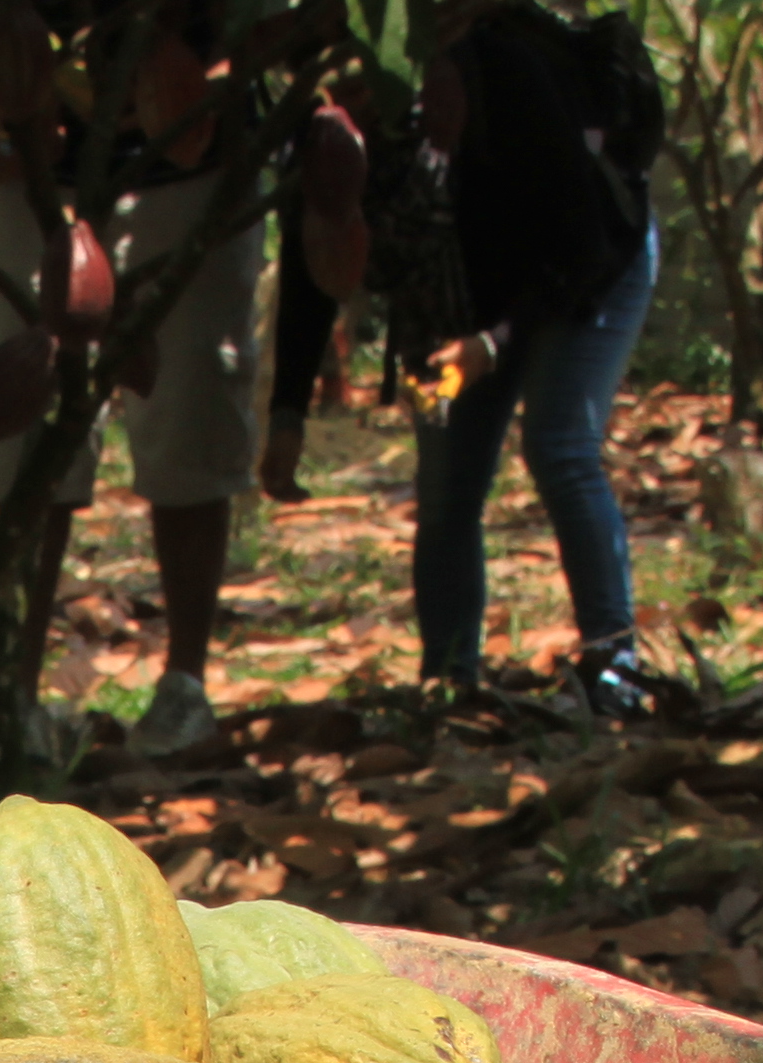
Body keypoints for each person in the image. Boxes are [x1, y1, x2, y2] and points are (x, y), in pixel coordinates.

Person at [270, 1, 667, 717]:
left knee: (559, 443)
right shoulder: (323, 132)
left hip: (588, 269)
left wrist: (494, 345)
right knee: (448, 483)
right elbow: (313, 265)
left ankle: (615, 663)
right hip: (449, 312)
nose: (349, 89)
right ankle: (448, 680)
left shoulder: (497, 71)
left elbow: (575, 236)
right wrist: (287, 411)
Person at [0, 34, 273, 763]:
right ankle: (18, 693)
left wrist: (212, 75)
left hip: (197, 164)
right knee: (29, 440)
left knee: (191, 412)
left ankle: (185, 687)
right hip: (36, 159)